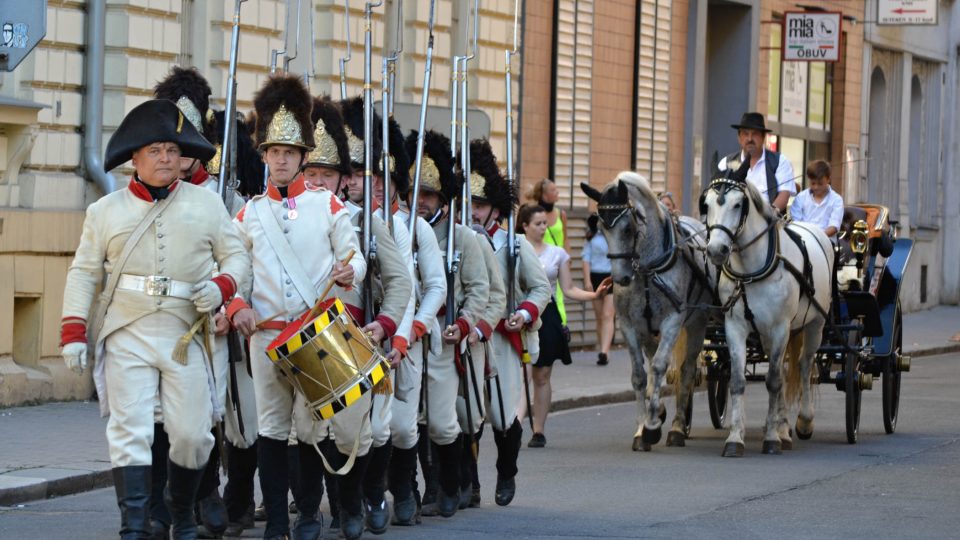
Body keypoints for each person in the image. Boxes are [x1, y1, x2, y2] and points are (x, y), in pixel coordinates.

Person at [60, 98, 249, 539]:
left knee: (192, 434)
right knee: (129, 429)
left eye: (171, 150)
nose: (165, 158)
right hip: (128, 330)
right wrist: (73, 331)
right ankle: (134, 526)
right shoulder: (103, 212)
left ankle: (182, 513)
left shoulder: (207, 204)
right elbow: (85, 272)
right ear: (135, 158)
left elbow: (238, 256)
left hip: (187, 334)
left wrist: (222, 286)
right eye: (154, 151)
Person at [227, 74, 367, 540]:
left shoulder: (328, 206)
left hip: (315, 333)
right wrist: (237, 306)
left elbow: (355, 257)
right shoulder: (246, 215)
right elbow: (236, 275)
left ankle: (309, 513)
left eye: (289, 152)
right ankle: (279, 524)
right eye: (273, 152)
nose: (281, 160)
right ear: (264, 156)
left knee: (309, 430)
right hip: (267, 336)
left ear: (304, 157)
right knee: (270, 430)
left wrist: (351, 273)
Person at [338, 96, 418, 534]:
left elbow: (405, 285)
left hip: (386, 334)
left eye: (374, 178)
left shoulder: (400, 225)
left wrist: (398, 338)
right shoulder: (340, 216)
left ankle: (377, 493)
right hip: (343, 331)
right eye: (355, 176)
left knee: (384, 427)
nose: (365, 186)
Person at [467, 139, 551, 506]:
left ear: (496, 209)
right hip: (469, 336)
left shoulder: (515, 245)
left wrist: (525, 313)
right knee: (464, 415)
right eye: (469, 203)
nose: (472, 211)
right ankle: (468, 483)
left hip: (503, 336)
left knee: (501, 414)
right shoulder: (461, 240)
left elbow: (540, 288)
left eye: (480, 204)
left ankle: (506, 471)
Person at [412, 130, 490, 520]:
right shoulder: (398, 230)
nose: (422, 201)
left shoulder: (463, 238)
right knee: (410, 421)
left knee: (444, 421)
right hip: (406, 340)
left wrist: (463, 323)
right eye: (417, 193)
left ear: (442, 198)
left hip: (445, 339)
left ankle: (454, 481)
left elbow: (479, 290)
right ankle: (422, 488)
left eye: (429, 194)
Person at [517, 204, 611, 448]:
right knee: (522, 373)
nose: (542, 227)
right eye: (537, 224)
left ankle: (538, 430)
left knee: (542, 374)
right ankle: (514, 426)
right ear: (524, 226)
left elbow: (568, 289)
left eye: (544, 223)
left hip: (546, 313)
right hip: (517, 313)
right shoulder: (513, 249)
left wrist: (595, 295)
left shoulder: (557, 254)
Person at [719, 112, 796, 214]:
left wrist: (771, 214)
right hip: (734, 222)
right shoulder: (726, 163)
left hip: (769, 223)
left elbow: (784, 194)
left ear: (763, 137)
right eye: (746, 134)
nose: (750, 139)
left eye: (755, 134)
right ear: (739, 137)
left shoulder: (780, 161)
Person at [526, 178, 568, 324]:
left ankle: (561, 325)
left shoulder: (561, 213)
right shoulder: (534, 213)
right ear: (544, 195)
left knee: (558, 295)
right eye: (553, 190)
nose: (557, 193)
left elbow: (565, 237)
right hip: (536, 258)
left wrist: (567, 259)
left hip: (556, 261)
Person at [582, 213, 615, 366]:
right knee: (600, 316)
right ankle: (601, 346)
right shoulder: (591, 235)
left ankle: (605, 352)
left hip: (611, 277)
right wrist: (587, 280)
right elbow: (586, 258)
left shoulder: (614, 234)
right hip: (595, 276)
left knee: (608, 314)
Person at [790, 159, 844, 239]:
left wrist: (817, 238)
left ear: (828, 179)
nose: (816, 187)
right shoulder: (800, 198)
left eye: (820, 184)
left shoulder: (837, 200)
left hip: (826, 241)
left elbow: (834, 227)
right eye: (813, 183)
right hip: (803, 239)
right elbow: (796, 223)